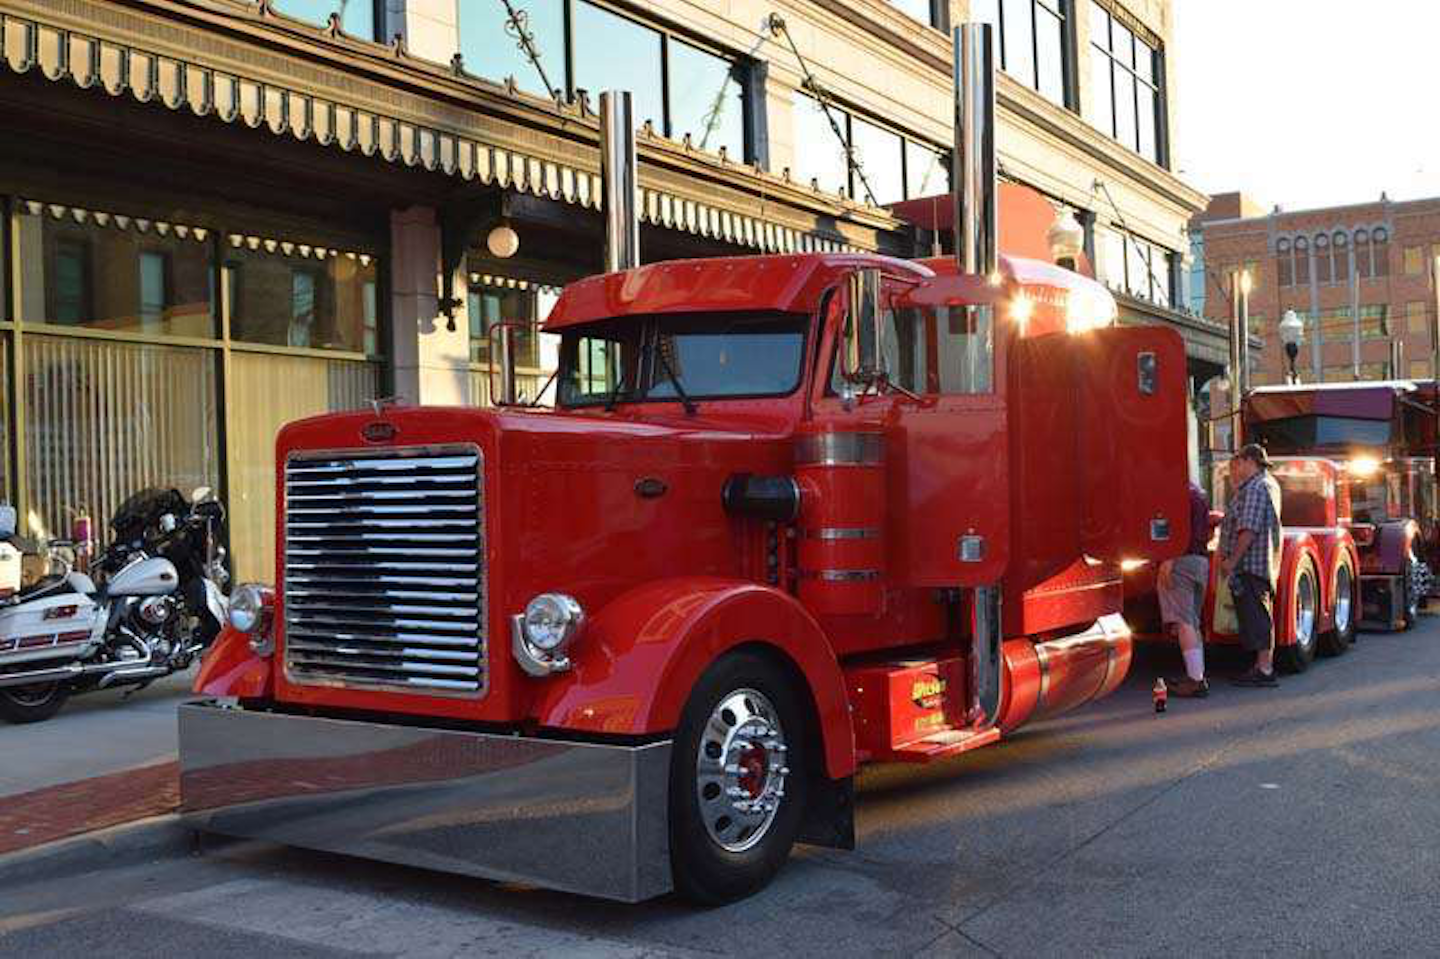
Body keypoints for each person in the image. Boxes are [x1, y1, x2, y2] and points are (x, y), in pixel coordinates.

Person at [1219, 443, 1284, 687]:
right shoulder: (1265, 484)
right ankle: (1261, 665)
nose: (1236, 468)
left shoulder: (1257, 488)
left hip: (1251, 564)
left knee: (1256, 616)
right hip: (1259, 562)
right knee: (1257, 614)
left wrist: (1232, 560)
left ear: (1249, 461)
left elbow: (1248, 528)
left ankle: (1265, 669)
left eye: (1239, 463)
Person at [1160, 481, 1214, 697]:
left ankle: (1195, 680)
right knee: (1192, 622)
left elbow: (1172, 529)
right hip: (1200, 561)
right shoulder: (1198, 492)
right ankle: (1197, 674)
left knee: (1184, 623)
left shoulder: (1176, 495)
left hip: (1181, 562)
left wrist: (1168, 559)